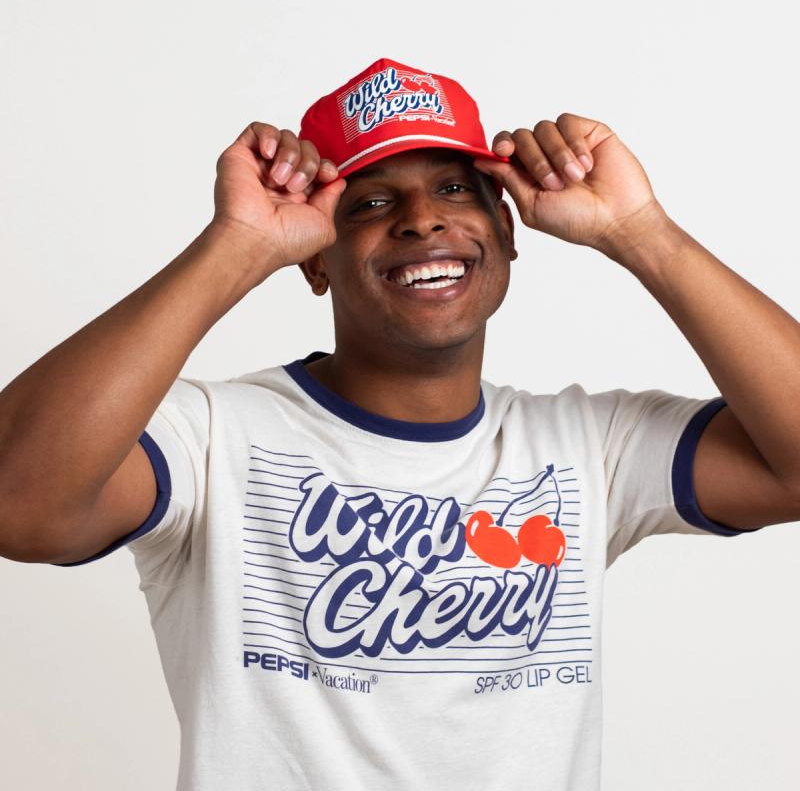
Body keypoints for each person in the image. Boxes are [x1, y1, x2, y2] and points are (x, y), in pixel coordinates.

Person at [0, 56, 797, 790]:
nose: (421, 219)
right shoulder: (214, 439)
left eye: (454, 188)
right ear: (316, 258)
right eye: (373, 202)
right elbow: (20, 504)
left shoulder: (590, 451)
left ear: (508, 233)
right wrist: (238, 244)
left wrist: (642, 233)